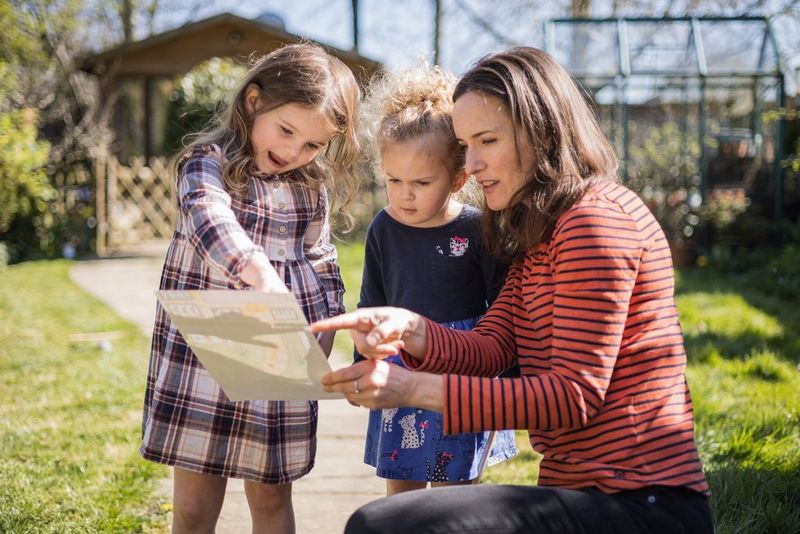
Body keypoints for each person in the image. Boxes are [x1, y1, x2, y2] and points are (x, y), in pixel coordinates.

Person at [313, 47, 714, 534]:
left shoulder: (595, 222)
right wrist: (410, 329)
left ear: (541, 131)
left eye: (487, 141)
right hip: (574, 490)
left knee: (385, 526)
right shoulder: (540, 234)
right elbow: (493, 347)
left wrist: (411, 387)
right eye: (465, 145)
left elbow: (572, 396)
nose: (473, 164)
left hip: (640, 503)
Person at [140, 43, 362, 534]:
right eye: (287, 131)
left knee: (270, 497)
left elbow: (322, 259)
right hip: (206, 353)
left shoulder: (309, 187)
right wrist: (258, 270)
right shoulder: (208, 163)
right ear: (254, 101)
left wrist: (322, 332)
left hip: (276, 354)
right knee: (195, 506)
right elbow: (207, 216)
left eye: (312, 145)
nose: (293, 152)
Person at [355, 65, 517, 495]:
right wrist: (361, 364)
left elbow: (502, 306)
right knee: (401, 488)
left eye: (422, 182)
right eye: (393, 180)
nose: (405, 194)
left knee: (456, 492)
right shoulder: (383, 229)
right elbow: (371, 301)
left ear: (458, 178)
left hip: (464, 372)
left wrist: (513, 378)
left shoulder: (479, 228)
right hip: (400, 365)